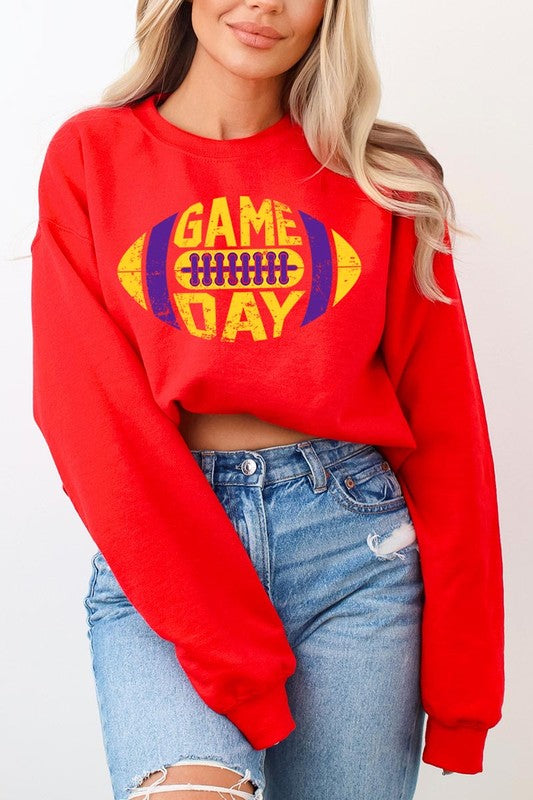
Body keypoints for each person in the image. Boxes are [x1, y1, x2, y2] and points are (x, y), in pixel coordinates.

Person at [30, 0, 505, 798]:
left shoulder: (383, 178)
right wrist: (229, 649)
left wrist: (464, 696)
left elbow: (447, 429)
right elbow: (87, 412)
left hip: (355, 556)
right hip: (164, 551)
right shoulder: (93, 154)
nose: (265, 5)